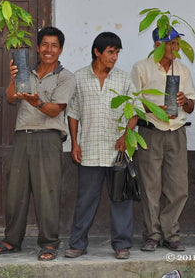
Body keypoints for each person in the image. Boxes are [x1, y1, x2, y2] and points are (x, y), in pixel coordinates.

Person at [0, 26, 74, 261]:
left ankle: (49, 243)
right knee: (16, 192)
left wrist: (37, 103)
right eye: (45, 44)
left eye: (54, 45)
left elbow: (55, 110)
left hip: (48, 137)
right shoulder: (27, 71)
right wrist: (15, 77)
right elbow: (11, 97)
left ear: (61, 49)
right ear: (37, 47)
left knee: (47, 193)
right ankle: (11, 241)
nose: (49, 50)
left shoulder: (66, 77)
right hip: (23, 136)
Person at [65, 32, 137, 260]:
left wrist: (126, 136)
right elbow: (73, 113)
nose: (114, 57)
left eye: (117, 52)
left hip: (118, 151)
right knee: (86, 199)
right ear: (98, 52)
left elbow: (135, 111)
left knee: (121, 199)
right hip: (89, 150)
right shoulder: (79, 77)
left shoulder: (124, 79)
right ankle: (77, 244)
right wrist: (74, 143)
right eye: (110, 52)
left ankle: (122, 244)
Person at [131, 27, 195, 252]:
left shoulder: (183, 70)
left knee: (179, 187)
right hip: (151, 131)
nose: (175, 47)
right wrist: (155, 109)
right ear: (158, 44)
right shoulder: (141, 68)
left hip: (177, 132)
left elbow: (191, 106)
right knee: (151, 186)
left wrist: (184, 99)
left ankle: (171, 233)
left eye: (177, 43)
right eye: (171, 43)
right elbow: (133, 105)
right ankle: (152, 235)